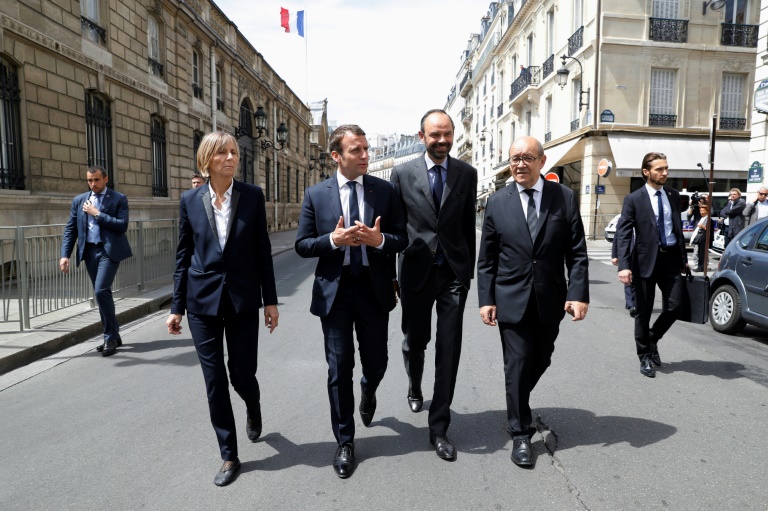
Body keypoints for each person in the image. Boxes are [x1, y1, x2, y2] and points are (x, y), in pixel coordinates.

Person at [166, 131, 279, 487]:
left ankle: (253, 404)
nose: (231, 157)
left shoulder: (252, 196)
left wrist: (270, 301)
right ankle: (229, 455)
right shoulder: (190, 199)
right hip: (202, 301)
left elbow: (262, 251)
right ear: (207, 160)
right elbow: (184, 256)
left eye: (233, 152)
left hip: (242, 299)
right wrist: (176, 307)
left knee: (241, 374)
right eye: (222, 153)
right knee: (214, 380)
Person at [295, 125, 407, 479]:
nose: (365, 156)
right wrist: (333, 240)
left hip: (373, 290)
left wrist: (378, 241)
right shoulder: (316, 194)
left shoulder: (385, 191)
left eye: (366, 149)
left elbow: (402, 239)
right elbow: (302, 245)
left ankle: (369, 389)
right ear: (336, 156)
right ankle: (344, 441)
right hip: (335, 293)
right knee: (339, 368)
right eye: (356, 150)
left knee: (377, 362)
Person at [477, 136, 589, 468]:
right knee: (517, 363)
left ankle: (517, 398)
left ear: (542, 161)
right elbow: (487, 260)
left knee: (541, 357)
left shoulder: (564, 197)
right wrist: (486, 299)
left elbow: (577, 253)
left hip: (550, 298)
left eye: (527, 157)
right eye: (514, 159)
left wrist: (577, 294)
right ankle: (521, 433)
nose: (520, 164)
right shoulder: (497, 202)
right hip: (510, 298)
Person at [390, 109, 477, 461]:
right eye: (435, 134)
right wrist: (392, 275)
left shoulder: (467, 174)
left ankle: (439, 426)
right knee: (416, 340)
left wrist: (468, 272)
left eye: (447, 134)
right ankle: (414, 384)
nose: (442, 140)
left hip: (453, 274)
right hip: (415, 272)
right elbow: (395, 230)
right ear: (422, 136)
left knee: (449, 347)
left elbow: (467, 226)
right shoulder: (401, 174)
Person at [616, 152, 688, 379]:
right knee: (643, 312)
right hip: (644, 261)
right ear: (646, 172)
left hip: (671, 260)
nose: (664, 173)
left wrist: (684, 259)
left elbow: (676, 228)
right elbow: (624, 233)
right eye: (659, 169)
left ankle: (652, 337)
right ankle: (645, 355)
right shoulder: (634, 199)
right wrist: (623, 265)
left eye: (666, 168)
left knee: (676, 307)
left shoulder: (673, 195)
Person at [60, 165, 132, 357]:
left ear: (106, 179)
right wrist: (65, 255)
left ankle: (109, 337)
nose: (93, 184)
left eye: (96, 180)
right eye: (90, 180)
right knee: (102, 294)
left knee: (100, 290)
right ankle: (114, 335)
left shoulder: (119, 198)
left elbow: (122, 225)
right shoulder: (79, 200)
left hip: (109, 251)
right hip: (89, 252)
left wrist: (97, 213)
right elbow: (71, 229)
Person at [611, 219, 636, 317]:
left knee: (637, 280)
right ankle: (631, 305)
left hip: (640, 254)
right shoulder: (623, 220)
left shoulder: (642, 219)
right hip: (626, 254)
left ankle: (632, 302)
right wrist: (614, 255)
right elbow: (617, 238)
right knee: (628, 279)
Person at [691, 204, 713, 272]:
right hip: (701, 238)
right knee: (699, 253)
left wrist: (702, 226)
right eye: (700, 210)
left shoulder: (709, 219)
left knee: (703, 253)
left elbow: (709, 229)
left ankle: (702, 267)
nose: (701, 212)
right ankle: (700, 266)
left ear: (707, 211)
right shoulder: (702, 218)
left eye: (703, 210)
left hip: (704, 238)